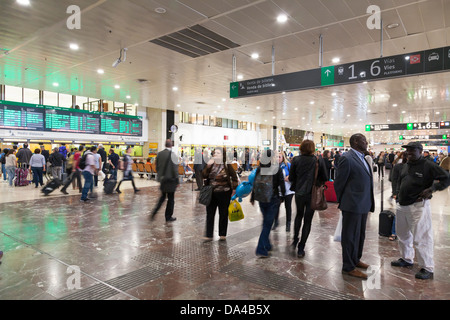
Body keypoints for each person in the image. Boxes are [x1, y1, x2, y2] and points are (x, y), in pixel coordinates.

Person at [391, 142, 450, 280]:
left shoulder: (428, 165)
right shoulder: (406, 165)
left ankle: (427, 267)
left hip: (418, 206)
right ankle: (406, 258)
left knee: (422, 237)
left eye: (412, 150)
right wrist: (397, 194)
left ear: (420, 151)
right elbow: (400, 180)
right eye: (407, 150)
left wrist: (432, 189)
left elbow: (446, 178)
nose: (409, 152)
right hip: (402, 205)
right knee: (402, 234)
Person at [334, 133, 375, 279]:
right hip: (352, 204)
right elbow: (339, 182)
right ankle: (348, 266)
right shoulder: (347, 158)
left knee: (360, 235)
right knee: (350, 236)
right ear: (356, 142)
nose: (366, 142)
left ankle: (356, 259)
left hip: (363, 203)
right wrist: (344, 200)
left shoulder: (363, 157)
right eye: (364, 140)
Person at [289, 140, 328, 257]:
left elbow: (291, 177)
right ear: (313, 148)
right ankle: (301, 247)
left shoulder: (295, 160)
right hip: (312, 194)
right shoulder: (317, 160)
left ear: (301, 147)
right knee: (308, 220)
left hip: (299, 193)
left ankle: (295, 239)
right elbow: (325, 177)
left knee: (298, 215)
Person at [250, 149, 286, 257]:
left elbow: (255, 184)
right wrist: (283, 196)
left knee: (266, 222)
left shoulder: (259, 169)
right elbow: (281, 184)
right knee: (267, 224)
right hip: (272, 199)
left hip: (262, 199)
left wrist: (252, 197)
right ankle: (260, 249)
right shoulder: (277, 169)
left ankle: (267, 244)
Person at [201, 147, 239, 241]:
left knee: (223, 214)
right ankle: (209, 234)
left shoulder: (227, 165)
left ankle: (222, 234)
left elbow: (234, 177)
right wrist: (208, 166)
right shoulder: (210, 164)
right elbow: (203, 175)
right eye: (215, 153)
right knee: (210, 214)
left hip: (224, 193)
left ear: (222, 155)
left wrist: (234, 189)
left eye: (218, 153)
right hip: (211, 193)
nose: (215, 154)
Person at [150, 140, 178, 222]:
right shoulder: (173, 155)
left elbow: (157, 166)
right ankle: (168, 216)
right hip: (171, 180)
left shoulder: (159, 154)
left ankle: (154, 213)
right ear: (171, 145)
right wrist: (177, 181)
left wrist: (161, 175)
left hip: (163, 180)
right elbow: (175, 169)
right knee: (171, 199)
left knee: (162, 198)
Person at [273, 151, 295, 232]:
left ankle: (288, 224)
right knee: (276, 206)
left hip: (288, 190)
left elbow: (294, 174)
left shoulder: (287, 165)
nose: (278, 158)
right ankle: (276, 222)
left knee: (288, 207)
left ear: (283, 158)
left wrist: (289, 177)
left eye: (279, 157)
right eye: (276, 157)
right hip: (278, 191)